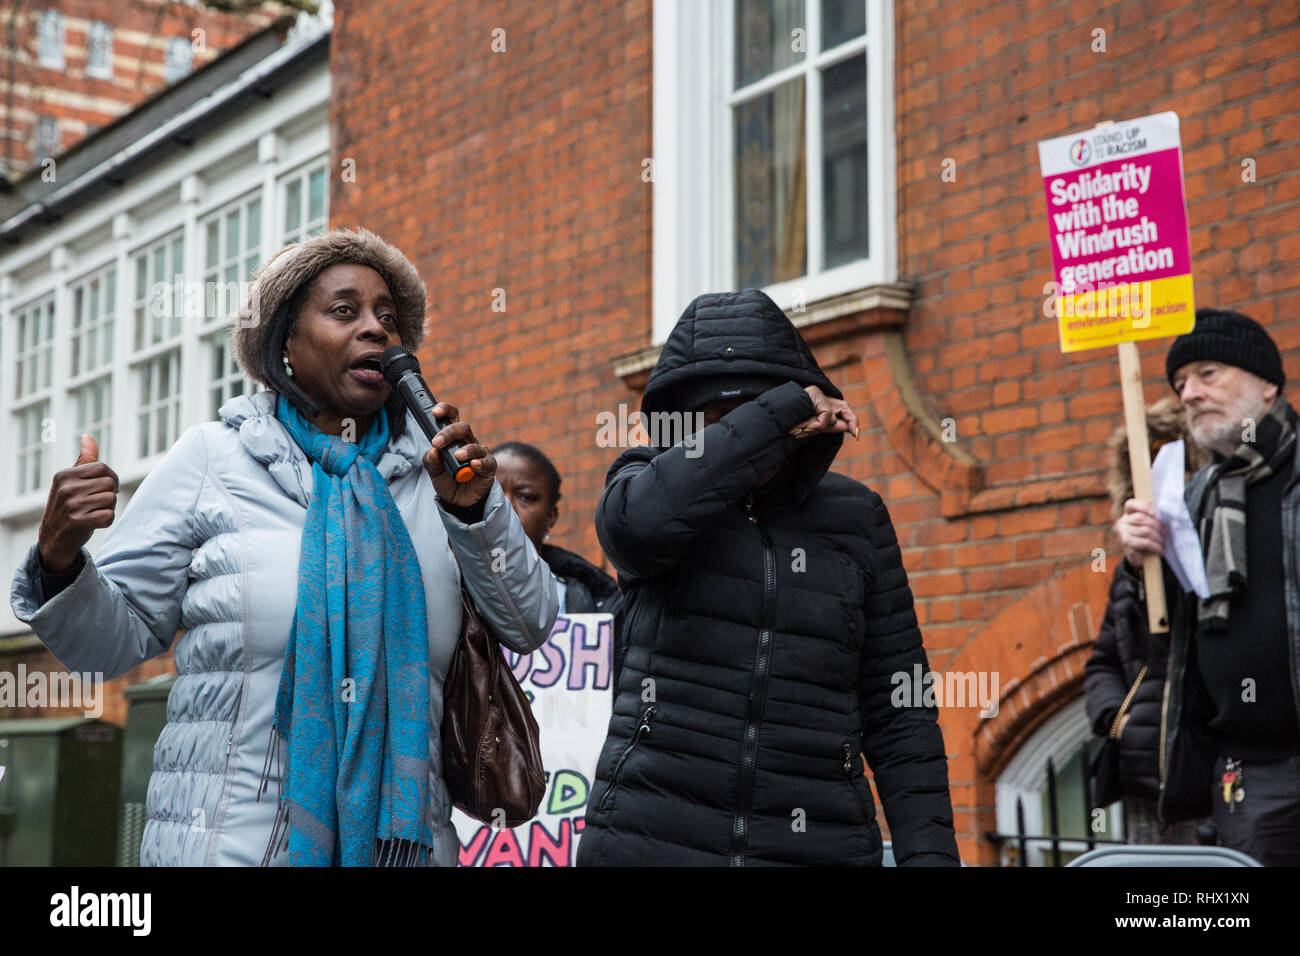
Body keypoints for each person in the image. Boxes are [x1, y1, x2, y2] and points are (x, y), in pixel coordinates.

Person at [11, 228, 559, 867]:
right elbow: (105, 647)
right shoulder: (211, 461)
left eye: (388, 317)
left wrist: (476, 513)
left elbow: (528, 621)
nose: (377, 330)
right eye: (344, 311)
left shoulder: (437, 480)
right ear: (286, 346)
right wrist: (59, 558)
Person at [576, 288, 960, 866]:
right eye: (719, 421)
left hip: (818, 846)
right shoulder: (644, 486)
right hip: (649, 841)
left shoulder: (857, 517)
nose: (745, 437)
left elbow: (900, 709)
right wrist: (777, 413)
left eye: (759, 411)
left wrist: (929, 857)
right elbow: (638, 531)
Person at [1115, 308, 1300, 865]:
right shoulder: (1188, 498)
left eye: (1207, 374)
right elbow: (1157, 645)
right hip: (1247, 772)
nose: (1189, 393)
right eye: (1179, 384)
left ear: (1267, 382)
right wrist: (1136, 564)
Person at [1084, 395, 1208, 844]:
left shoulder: (1218, 553)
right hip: (1145, 785)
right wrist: (1119, 720)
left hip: (1210, 785)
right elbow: (1103, 662)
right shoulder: (1130, 570)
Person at [493, 441, 625, 677]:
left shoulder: (600, 603)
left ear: (550, 517)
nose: (506, 507)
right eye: (491, 493)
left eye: (526, 497)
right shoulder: (445, 589)